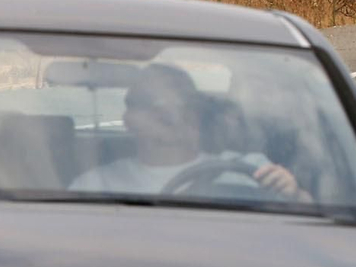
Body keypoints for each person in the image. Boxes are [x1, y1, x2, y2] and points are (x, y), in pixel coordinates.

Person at [69, 64, 311, 202]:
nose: (171, 114)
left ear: (195, 113)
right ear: (129, 118)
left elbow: (309, 230)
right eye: (153, 104)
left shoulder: (254, 171)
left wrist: (295, 194)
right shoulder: (96, 185)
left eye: (180, 103)